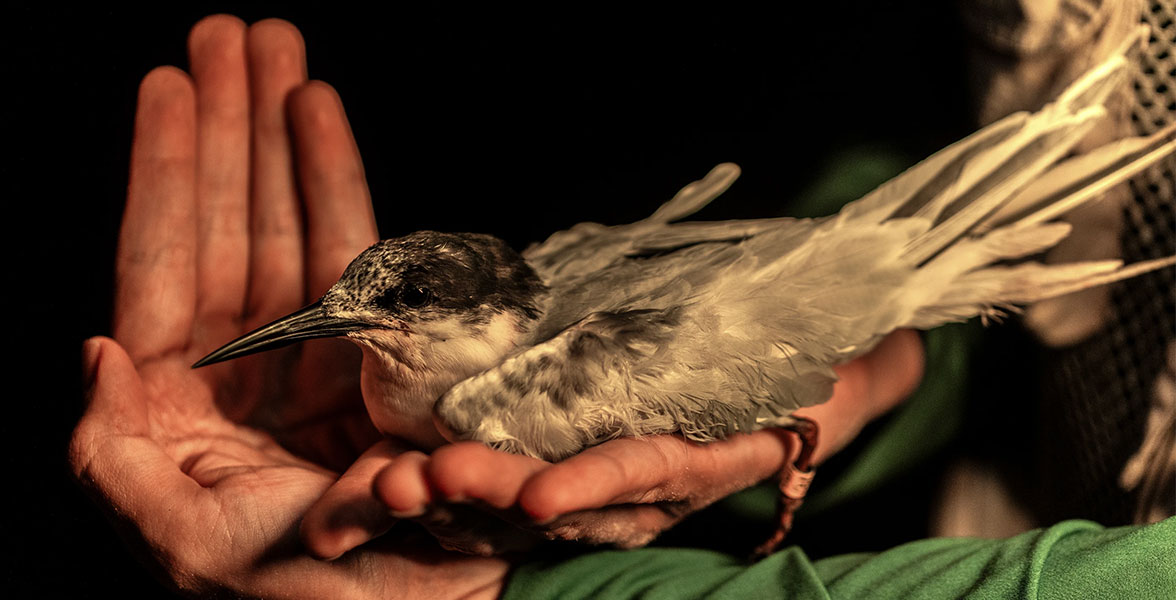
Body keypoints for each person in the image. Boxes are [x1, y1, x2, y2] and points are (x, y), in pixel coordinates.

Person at [72, 15, 1172, 599]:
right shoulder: (446, 358)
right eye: (360, 307)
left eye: (398, 306)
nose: (355, 324)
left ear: (480, 319)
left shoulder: (497, 397)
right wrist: (894, 373)